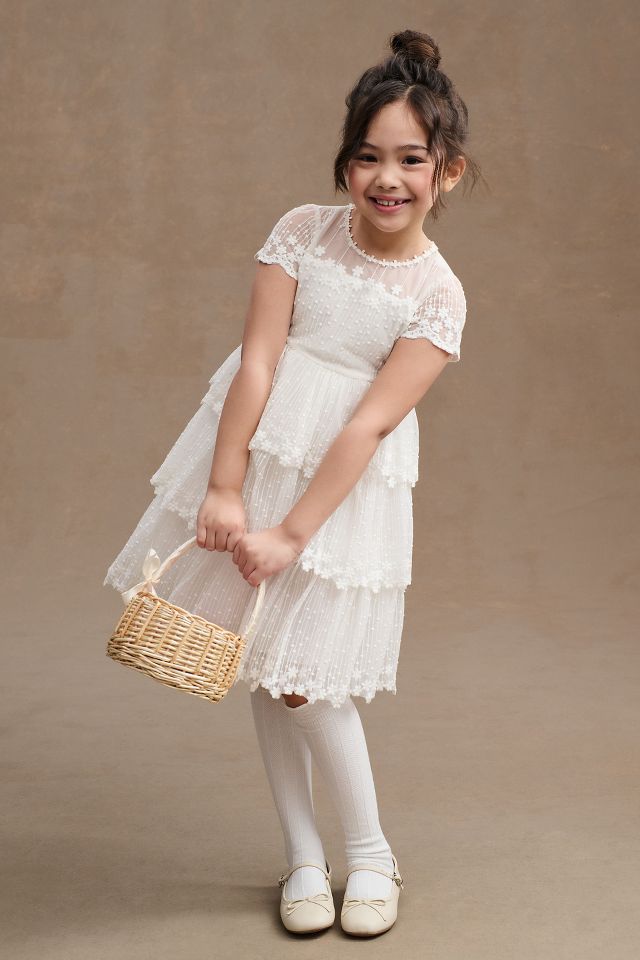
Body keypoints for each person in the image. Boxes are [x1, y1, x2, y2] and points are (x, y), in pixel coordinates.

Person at [104, 28, 482, 938]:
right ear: (345, 162)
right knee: (265, 669)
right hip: (258, 455)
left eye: (411, 160)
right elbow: (259, 361)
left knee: (309, 677)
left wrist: (292, 532)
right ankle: (304, 857)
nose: (387, 178)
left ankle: (371, 856)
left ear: (448, 172)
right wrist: (226, 486)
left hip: (339, 496)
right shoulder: (302, 232)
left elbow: (368, 424)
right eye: (368, 156)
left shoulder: (437, 295)